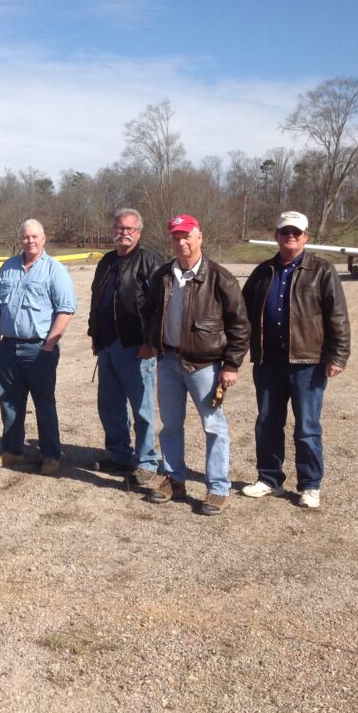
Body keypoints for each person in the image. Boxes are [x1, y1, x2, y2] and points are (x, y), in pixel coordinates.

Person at [240, 211, 350, 509]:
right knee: (267, 422)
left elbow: (337, 316)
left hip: (308, 362)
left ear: (306, 237)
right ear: (276, 235)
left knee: (307, 426)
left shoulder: (322, 270)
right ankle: (269, 478)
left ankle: (310, 485)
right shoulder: (263, 271)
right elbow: (242, 313)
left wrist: (337, 355)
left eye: (296, 232)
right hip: (268, 362)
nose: (291, 236)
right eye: (285, 231)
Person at [143, 214, 250, 516]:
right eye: (176, 237)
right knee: (171, 425)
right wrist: (153, 342)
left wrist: (231, 365)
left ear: (200, 237)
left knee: (214, 425)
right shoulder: (163, 275)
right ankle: (174, 480)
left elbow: (240, 325)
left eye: (187, 236)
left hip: (205, 365)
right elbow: (150, 312)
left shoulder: (220, 277)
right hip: (169, 362)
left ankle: (218, 488)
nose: (181, 242)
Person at [0, 219, 77, 475]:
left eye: (34, 236)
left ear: (44, 238)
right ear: (20, 239)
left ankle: (50, 454)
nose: (30, 241)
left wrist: (49, 344)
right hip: (8, 347)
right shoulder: (7, 268)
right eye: (25, 237)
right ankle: (13, 451)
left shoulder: (55, 270)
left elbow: (66, 309)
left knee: (44, 402)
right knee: (9, 401)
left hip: (39, 348)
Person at [87, 208, 164, 485]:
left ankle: (146, 461)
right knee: (110, 406)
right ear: (113, 231)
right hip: (107, 346)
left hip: (136, 348)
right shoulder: (106, 262)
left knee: (141, 408)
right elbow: (97, 299)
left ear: (138, 232)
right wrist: (94, 334)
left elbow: (160, 307)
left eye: (130, 229)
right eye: (119, 228)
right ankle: (119, 455)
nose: (124, 233)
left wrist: (150, 342)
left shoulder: (150, 261)